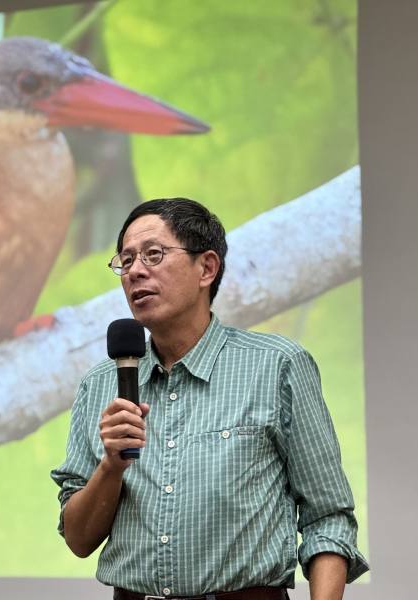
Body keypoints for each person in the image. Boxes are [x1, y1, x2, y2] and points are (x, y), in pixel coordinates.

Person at [51, 198, 368, 600]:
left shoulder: (277, 367)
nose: (135, 271)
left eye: (153, 254)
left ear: (207, 268)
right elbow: (78, 540)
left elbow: (328, 518)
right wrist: (111, 466)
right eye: (125, 260)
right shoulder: (101, 383)